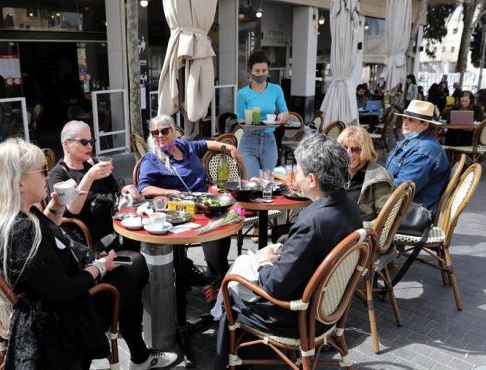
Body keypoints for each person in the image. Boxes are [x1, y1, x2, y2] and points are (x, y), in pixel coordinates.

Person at [0, 139, 177, 370]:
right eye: (42, 170)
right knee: (128, 278)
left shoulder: (9, 217)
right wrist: (99, 267)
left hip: (41, 307)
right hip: (58, 324)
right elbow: (62, 292)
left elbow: (45, 245)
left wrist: (56, 207)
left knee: (130, 268)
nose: (47, 175)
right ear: (19, 183)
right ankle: (141, 356)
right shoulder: (22, 232)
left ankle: (140, 355)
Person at [215, 134, 362, 368]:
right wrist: (284, 251)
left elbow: (276, 287)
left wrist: (263, 262)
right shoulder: (349, 206)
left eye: (299, 171)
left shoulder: (313, 222)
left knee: (231, 281)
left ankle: (230, 357)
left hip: (298, 317)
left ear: (312, 179)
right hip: (329, 309)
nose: (295, 176)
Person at [137, 115, 244, 301]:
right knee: (212, 230)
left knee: (224, 225)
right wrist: (169, 192)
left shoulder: (184, 146)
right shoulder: (152, 158)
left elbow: (208, 144)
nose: (160, 135)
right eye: (155, 132)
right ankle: (216, 282)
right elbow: (144, 188)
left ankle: (216, 279)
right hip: (180, 209)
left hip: (205, 201)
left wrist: (230, 148)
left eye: (164, 130)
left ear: (174, 131)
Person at [48, 120, 139, 251]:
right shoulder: (58, 174)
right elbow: (72, 209)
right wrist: (89, 176)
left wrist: (124, 188)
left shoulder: (92, 163)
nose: (90, 147)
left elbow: (115, 185)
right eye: (84, 142)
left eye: (92, 142)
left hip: (118, 227)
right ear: (66, 144)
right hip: (93, 244)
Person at [386, 100, 450, 214]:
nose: (405, 122)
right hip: (402, 205)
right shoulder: (413, 141)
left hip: (408, 212)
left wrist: (373, 187)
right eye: (404, 118)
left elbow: (403, 188)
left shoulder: (425, 150)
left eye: (411, 120)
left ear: (425, 124)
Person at [235, 50, 289, 178]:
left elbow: (284, 111)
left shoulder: (276, 89)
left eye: (264, 70)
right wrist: (252, 124)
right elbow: (240, 120)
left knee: (268, 182)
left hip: (269, 140)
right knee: (252, 182)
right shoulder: (242, 93)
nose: (261, 74)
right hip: (249, 141)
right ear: (250, 71)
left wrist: (282, 116)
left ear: (268, 70)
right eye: (257, 71)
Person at [337, 127, 393, 222]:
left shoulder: (378, 178)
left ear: (365, 150)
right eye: (344, 148)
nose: (348, 153)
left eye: (355, 149)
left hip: (358, 232)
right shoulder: (336, 170)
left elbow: (385, 219)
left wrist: (361, 231)